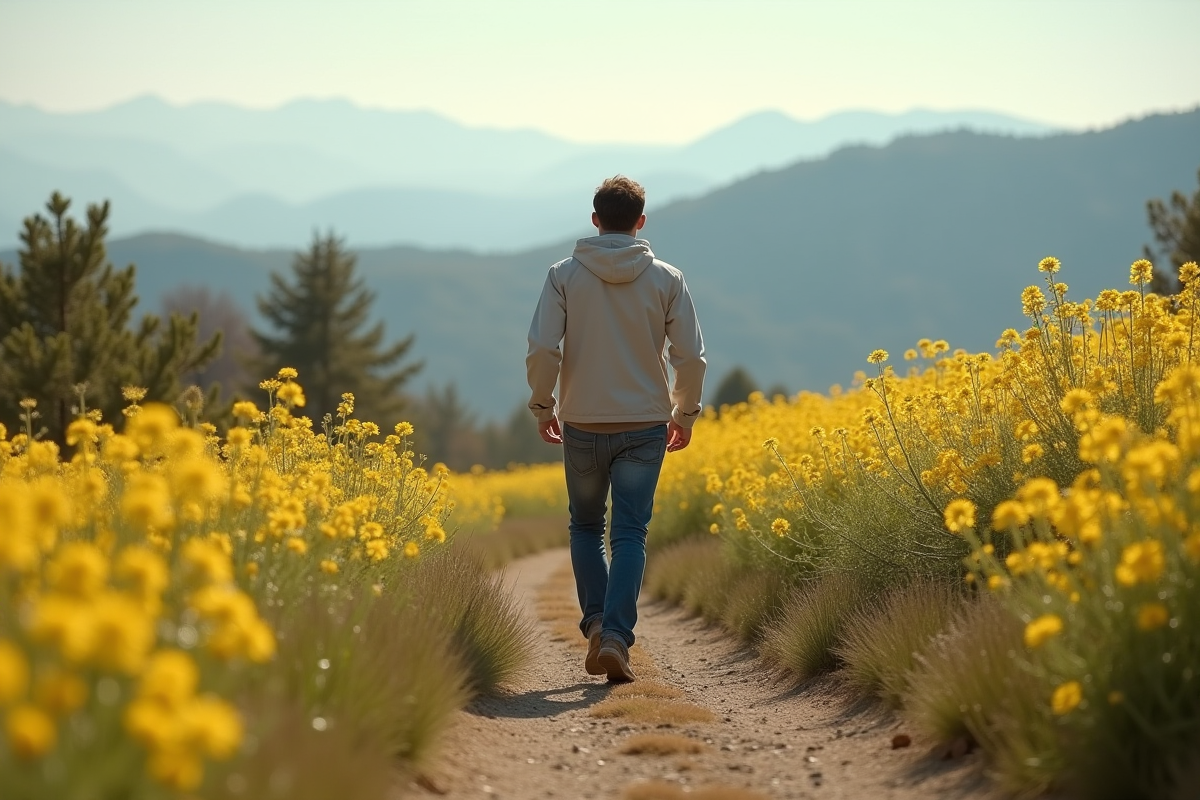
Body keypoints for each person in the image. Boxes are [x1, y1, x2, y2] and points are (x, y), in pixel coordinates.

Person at [526, 175, 706, 682]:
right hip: (646, 424)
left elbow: (543, 349)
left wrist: (544, 407)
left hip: (582, 421)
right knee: (630, 532)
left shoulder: (563, 275)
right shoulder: (668, 279)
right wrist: (683, 414)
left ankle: (598, 623)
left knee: (585, 527)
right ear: (641, 222)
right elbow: (690, 357)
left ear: (594, 218)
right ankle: (616, 639)